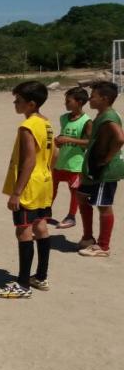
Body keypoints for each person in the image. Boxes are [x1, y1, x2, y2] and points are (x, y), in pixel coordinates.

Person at [0, 81, 54, 298]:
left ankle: (22, 284)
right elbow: (54, 154)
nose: (15, 103)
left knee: (23, 230)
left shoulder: (28, 126)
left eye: (18, 101)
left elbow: (29, 160)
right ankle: (40, 276)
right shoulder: (46, 123)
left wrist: (17, 192)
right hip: (44, 182)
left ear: (31, 104)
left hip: (29, 186)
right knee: (41, 226)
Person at [76, 81, 124, 257]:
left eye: (93, 96)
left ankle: (103, 246)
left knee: (103, 205)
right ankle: (88, 237)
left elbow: (120, 138)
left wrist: (108, 158)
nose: (90, 98)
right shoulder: (101, 114)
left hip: (105, 171)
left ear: (104, 99)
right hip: (93, 168)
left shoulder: (109, 116)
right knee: (81, 196)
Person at [51, 87, 92, 229]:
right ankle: (45, 212)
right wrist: (58, 140)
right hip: (60, 161)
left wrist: (69, 139)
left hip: (75, 164)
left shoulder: (87, 121)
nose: (65, 104)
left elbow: (90, 143)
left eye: (68, 101)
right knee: (51, 187)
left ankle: (71, 217)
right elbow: (63, 137)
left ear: (79, 102)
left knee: (74, 192)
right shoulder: (64, 118)